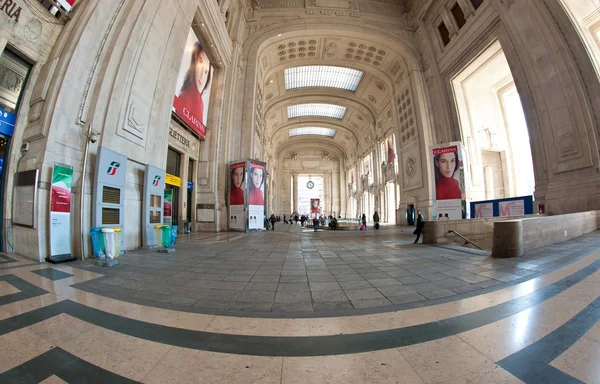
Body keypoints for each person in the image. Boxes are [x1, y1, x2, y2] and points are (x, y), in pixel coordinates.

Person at [177, 41, 212, 126]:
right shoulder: (195, 98)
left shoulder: (186, 93)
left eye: (206, 72)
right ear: (196, 59)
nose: (202, 75)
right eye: (201, 62)